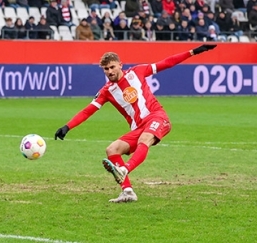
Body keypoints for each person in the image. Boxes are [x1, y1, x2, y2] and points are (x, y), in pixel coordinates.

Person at [54, 44, 217, 203]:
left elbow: (167, 63)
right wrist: (67, 126)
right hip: (138, 127)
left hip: (157, 117)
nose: (110, 72)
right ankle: (127, 192)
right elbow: (87, 111)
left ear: (120, 65)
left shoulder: (137, 72)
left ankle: (124, 169)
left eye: (112, 67)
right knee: (112, 150)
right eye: (106, 69)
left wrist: (193, 51)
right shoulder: (106, 91)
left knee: (144, 139)